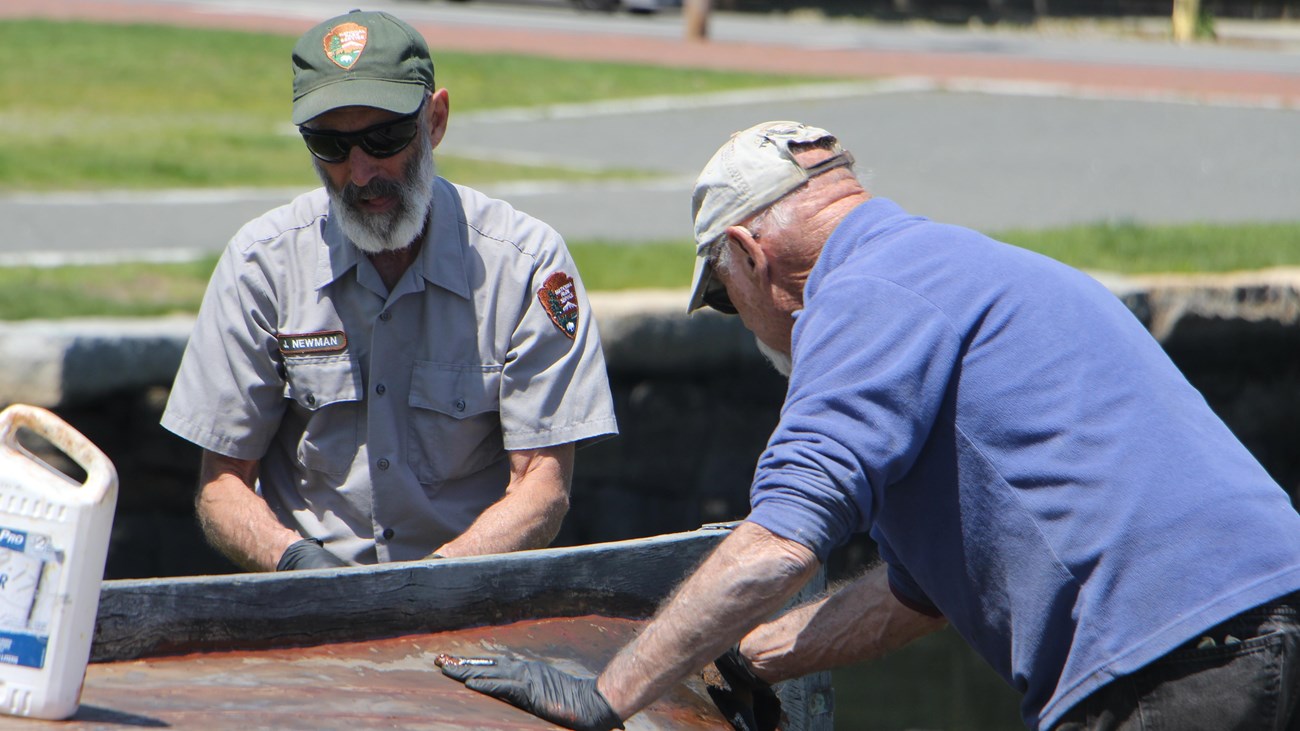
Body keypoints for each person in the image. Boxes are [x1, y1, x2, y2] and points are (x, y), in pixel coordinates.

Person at [438, 121, 1300, 730]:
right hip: (1262, 619)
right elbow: (912, 594)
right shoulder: (949, 264)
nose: (743, 323)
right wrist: (742, 658)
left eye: (727, 300)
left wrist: (608, 689)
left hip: (1174, 660)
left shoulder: (859, 297)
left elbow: (780, 543)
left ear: (748, 252)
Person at [161, 10, 617, 573]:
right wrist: (297, 564)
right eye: (329, 144)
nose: (359, 172)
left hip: (465, 596)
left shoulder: (528, 267)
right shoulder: (260, 263)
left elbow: (542, 485)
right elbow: (222, 484)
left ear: (437, 120)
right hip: (305, 600)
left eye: (385, 138)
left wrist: (430, 586)